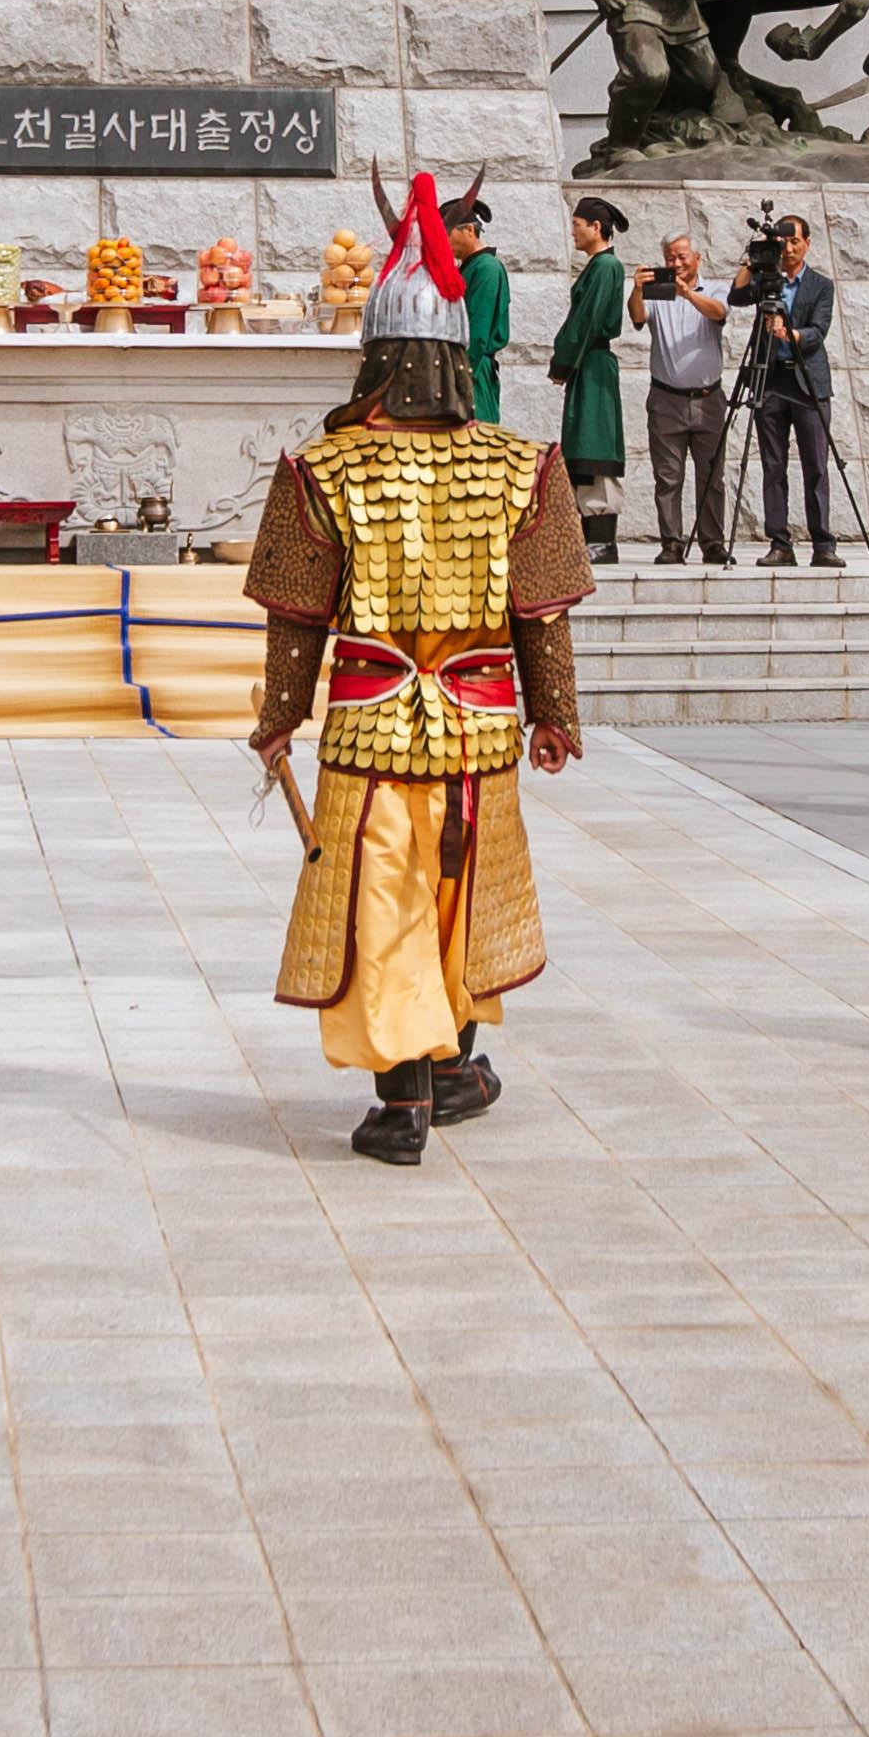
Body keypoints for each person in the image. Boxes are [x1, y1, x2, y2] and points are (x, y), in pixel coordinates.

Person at [244, 175, 590, 1167]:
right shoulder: (523, 466)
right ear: (456, 356)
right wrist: (555, 715)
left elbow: (295, 615)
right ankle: (447, 1069)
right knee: (459, 893)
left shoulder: (323, 465)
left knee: (389, 900)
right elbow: (543, 613)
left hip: (369, 725)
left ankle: (407, 1098)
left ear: (379, 357)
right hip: (481, 722)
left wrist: (277, 717)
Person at [736, 215, 844, 569]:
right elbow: (737, 297)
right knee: (773, 465)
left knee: (816, 466)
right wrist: (750, 262)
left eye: (795, 242)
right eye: (783, 243)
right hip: (771, 383)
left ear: (807, 242)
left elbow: (819, 331)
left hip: (808, 383)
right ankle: (780, 542)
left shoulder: (821, 285)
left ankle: (823, 544)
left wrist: (790, 334)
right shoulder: (768, 280)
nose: (789, 249)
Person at [634, 228, 732, 567]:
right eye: (669, 258)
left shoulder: (714, 288)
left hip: (709, 399)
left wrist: (688, 294)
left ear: (697, 259)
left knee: (711, 476)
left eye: (681, 257)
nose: (675, 263)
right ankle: (671, 542)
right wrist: (636, 289)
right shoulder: (657, 291)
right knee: (668, 475)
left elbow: (719, 313)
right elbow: (636, 317)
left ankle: (712, 542)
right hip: (666, 399)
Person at [546, 198, 631, 564]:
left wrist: (562, 361)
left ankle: (602, 539)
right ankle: (587, 533)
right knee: (584, 444)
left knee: (597, 446)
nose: (573, 231)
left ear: (597, 227)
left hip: (592, 364)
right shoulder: (600, 267)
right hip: (587, 364)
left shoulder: (606, 266)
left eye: (578, 223)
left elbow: (585, 320)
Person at [450, 194, 512, 426]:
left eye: (448, 233)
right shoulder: (467, 267)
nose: (443, 240)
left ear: (468, 230)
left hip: (471, 374)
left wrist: (458, 379)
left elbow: (476, 332)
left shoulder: (486, 268)